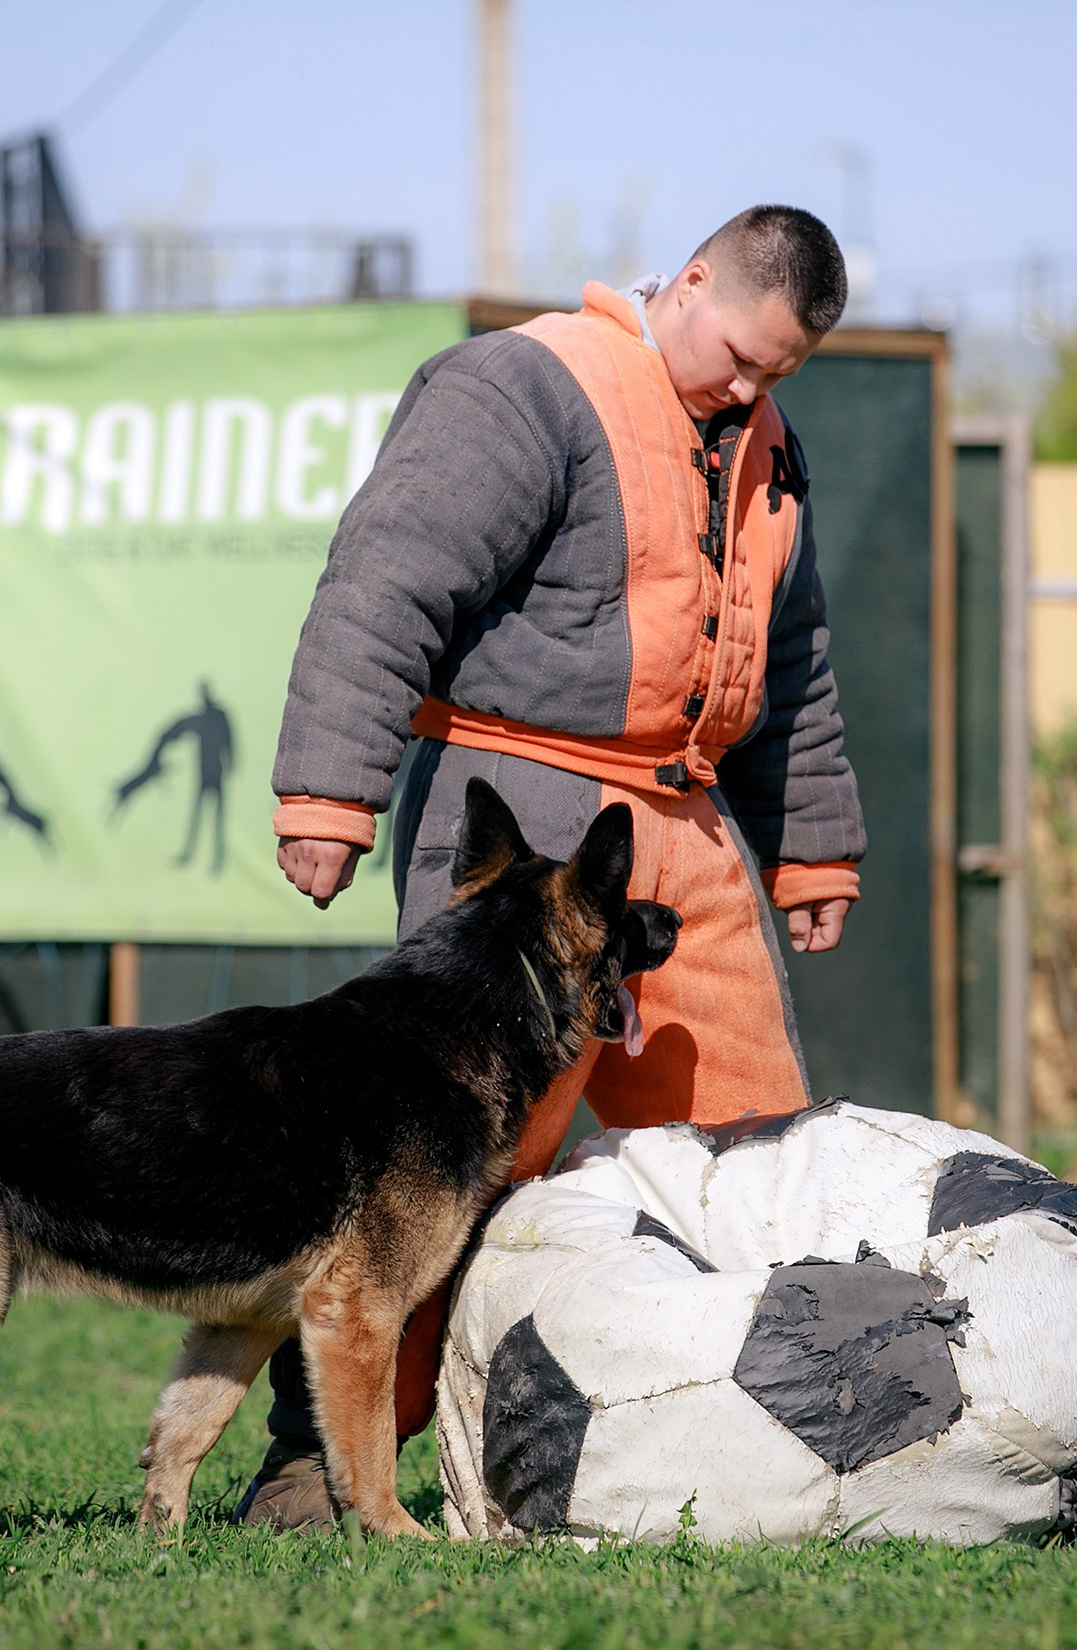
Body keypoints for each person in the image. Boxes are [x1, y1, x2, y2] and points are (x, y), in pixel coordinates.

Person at [249, 205, 866, 1526]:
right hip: (523, 829)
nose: (755, 391)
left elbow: (789, 653)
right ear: (691, 281)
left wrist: (810, 843)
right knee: (442, 1170)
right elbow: (387, 579)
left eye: (781, 375)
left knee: (756, 1160)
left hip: (689, 831)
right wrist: (330, 791)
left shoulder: (768, 445)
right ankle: (313, 1462)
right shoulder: (520, 386)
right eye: (743, 357)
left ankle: (784, 1451)